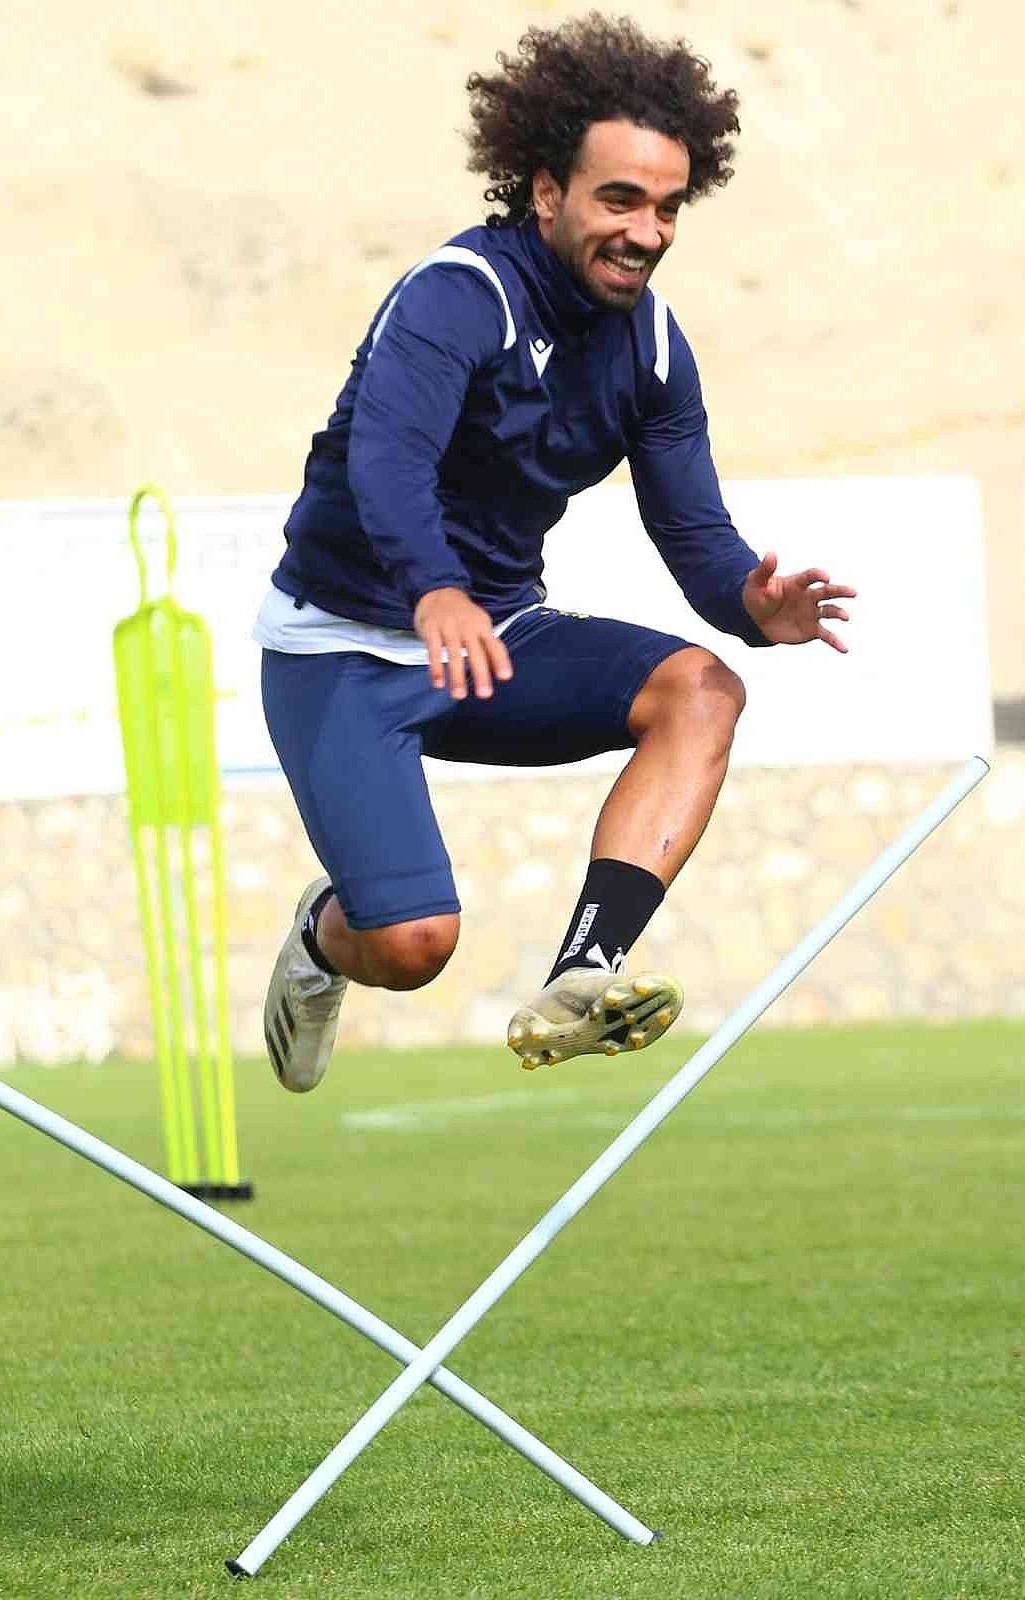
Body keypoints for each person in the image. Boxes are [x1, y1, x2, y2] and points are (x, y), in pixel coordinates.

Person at [254, 12, 853, 1091]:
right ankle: (320, 938)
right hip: (340, 646)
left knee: (704, 690)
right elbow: (387, 460)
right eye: (619, 199)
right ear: (545, 192)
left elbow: (690, 528)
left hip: (496, 640)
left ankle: (584, 970)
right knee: (412, 946)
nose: (646, 231)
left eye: (667, 207)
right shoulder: (458, 295)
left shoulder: (654, 346)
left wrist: (749, 605)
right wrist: (434, 588)